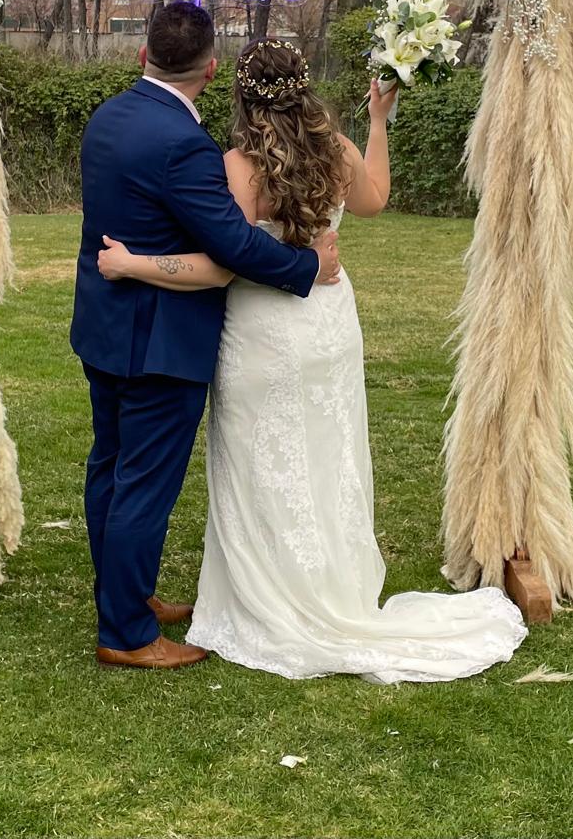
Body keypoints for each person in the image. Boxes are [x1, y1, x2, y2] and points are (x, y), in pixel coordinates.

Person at [98, 37, 528, 683]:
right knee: (328, 456)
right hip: (328, 329)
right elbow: (376, 197)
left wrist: (135, 262)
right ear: (304, 88)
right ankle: (330, 587)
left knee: (259, 462)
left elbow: (227, 264)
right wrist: (378, 120)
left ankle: (265, 596)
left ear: (239, 94)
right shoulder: (335, 149)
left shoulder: (238, 167)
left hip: (263, 332)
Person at [72, 2, 341, 670]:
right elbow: (235, 247)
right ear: (210, 68)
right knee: (143, 485)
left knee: (109, 468)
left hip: (104, 324)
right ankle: (128, 634)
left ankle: (124, 598)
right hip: (159, 341)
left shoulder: (109, 118)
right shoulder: (182, 144)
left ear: (143, 57)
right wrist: (310, 266)